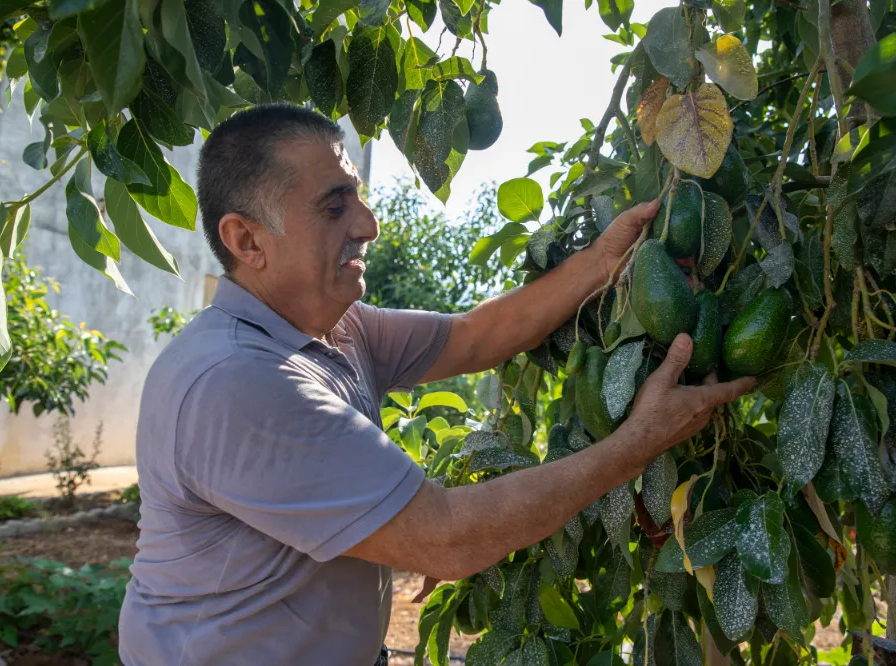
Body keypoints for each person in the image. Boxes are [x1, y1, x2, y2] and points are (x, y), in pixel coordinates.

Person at [117, 103, 754, 666]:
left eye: (359, 198)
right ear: (247, 239)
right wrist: (637, 442)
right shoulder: (239, 382)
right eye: (335, 206)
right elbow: (447, 537)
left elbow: (474, 337)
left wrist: (604, 261)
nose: (368, 224)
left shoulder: (337, 328)